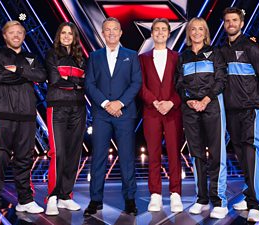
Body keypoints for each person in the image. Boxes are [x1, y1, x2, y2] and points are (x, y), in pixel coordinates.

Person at [0, 21, 47, 223]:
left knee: (24, 160)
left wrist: (17, 71)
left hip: (27, 115)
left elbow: (41, 75)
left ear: (24, 35)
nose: (16, 35)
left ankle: (25, 200)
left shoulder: (31, 57)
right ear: (5, 35)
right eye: (12, 32)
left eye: (20, 32)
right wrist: (26, 75)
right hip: (1, 113)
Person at [84, 17, 142, 216]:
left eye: (114, 29)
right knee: (98, 157)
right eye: (107, 30)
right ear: (102, 32)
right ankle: (95, 200)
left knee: (126, 158)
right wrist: (106, 104)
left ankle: (130, 199)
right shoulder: (94, 56)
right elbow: (90, 84)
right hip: (101, 114)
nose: (111, 33)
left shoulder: (132, 55)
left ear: (120, 33)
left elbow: (136, 83)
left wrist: (119, 103)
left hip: (124, 113)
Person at [220, 7, 259, 222]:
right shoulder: (222, 50)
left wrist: (254, 100)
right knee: (242, 156)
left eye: (234, 20)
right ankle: (247, 192)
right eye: (227, 21)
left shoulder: (252, 48)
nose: (231, 24)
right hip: (231, 111)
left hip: (249, 110)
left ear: (241, 23)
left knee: (252, 153)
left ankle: (255, 203)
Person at [175, 17, 228, 219]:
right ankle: (202, 199)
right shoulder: (183, 56)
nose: (196, 32)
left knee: (217, 153)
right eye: (193, 29)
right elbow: (179, 84)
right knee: (196, 153)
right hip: (190, 108)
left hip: (212, 105)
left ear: (205, 33)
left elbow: (221, 80)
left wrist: (205, 100)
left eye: (200, 29)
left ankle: (219, 200)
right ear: (189, 33)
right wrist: (189, 101)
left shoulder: (215, 54)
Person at [138, 18, 183, 213]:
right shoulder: (143, 58)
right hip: (152, 112)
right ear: (152, 33)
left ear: (169, 33)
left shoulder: (177, 57)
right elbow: (140, 84)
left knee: (174, 154)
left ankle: (175, 194)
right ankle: (155, 194)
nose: (160, 33)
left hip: (172, 111)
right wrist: (155, 102)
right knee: (153, 154)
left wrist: (171, 102)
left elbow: (182, 83)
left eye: (164, 29)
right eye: (156, 29)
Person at [44, 22, 86, 216]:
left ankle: (65, 196)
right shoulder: (52, 54)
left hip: (78, 108)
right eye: (63, 33)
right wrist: (76, 81)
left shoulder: (80, 58)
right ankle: (52, 196)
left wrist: (72, 81)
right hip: (58, 108)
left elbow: (85, 82)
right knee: (58, 152)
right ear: (59, 35)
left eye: (70, 33)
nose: (67, 36)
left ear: (74, 36)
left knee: (73, 153)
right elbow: (54, 80)